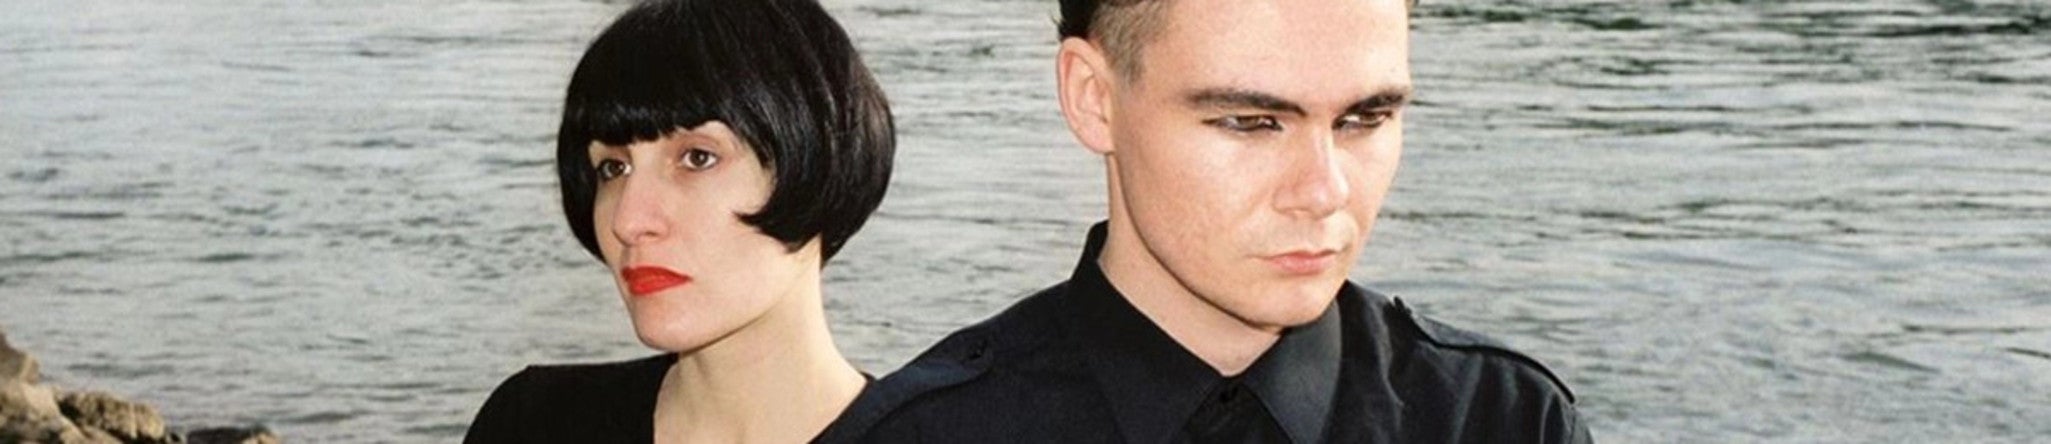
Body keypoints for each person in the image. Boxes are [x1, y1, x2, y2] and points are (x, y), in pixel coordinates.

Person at [835, 0, 1590, 442]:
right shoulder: (915, 435)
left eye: (1364, 119)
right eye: (1250, 122)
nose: (1323, 191)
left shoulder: (1504, 422)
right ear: (1093, 98)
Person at [463, 0, 894, 442]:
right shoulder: (532, 424)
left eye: (698, 158)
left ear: (821, 163)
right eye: (613, 168)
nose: (627, 220)